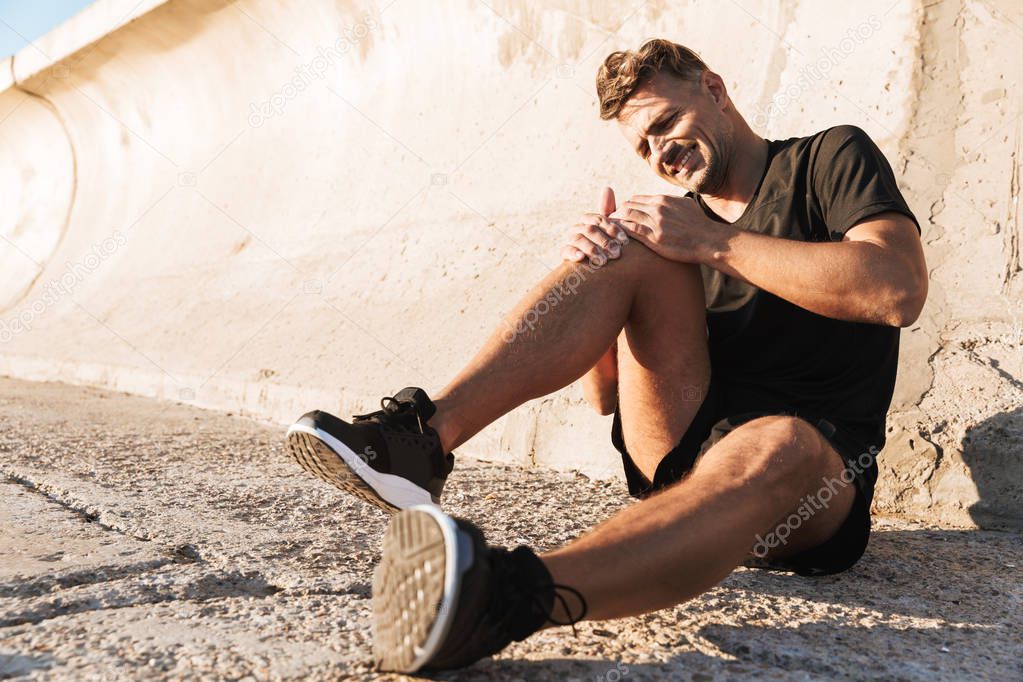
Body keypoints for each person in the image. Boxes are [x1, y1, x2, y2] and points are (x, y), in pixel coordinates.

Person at [285, 38, 928, 673]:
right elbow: (605, 398)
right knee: (629, 241)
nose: (662, 152)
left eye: (667, 122)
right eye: (644, 146)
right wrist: (594, 262)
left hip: (810, 478)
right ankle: (423, 441)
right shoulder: (674, 226)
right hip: (682, 445)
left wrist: (715, 244)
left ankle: (502, 597)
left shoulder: (826, 159)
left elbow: (896, 288)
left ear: (715, 88)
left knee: (778, 440)